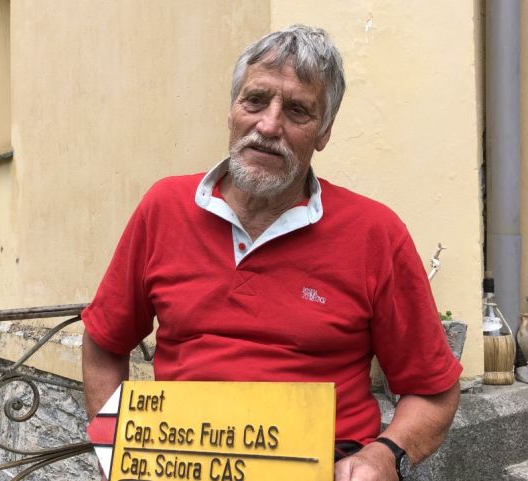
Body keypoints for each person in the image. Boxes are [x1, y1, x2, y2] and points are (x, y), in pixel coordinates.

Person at [81, 25, 461, 481]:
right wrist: (114, 450)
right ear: (231, 111)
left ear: (323, 132)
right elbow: (104, 343)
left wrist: (385, 455)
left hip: (321, 468)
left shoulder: (375, 234)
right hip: (180, 462)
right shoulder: (164, 208)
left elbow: (433, 391)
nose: (268, 125)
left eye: (297, 110)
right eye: (255, 100)